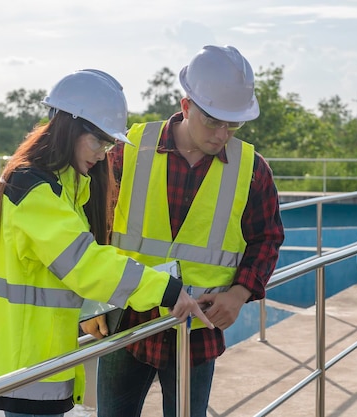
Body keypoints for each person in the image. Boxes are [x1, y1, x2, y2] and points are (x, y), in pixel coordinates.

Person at [0, 69, 212, 417]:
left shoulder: (66, 184)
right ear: (70, 127)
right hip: (23, 361)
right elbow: (84, 263)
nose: (103, 153)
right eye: (99, 141)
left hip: (42, 355)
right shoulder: (31, 188)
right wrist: (167, 290)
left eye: (109, 144)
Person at [90, 45, 285, 417]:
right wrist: (90, 304)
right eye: (213, 120)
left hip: (197, 328)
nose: (222, 134)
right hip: (126, 318)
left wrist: (240, 293)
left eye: (234, 124)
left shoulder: (251, 169)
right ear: (186, 106)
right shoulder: (127, 151)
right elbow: (93, 229)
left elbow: (267, 238)